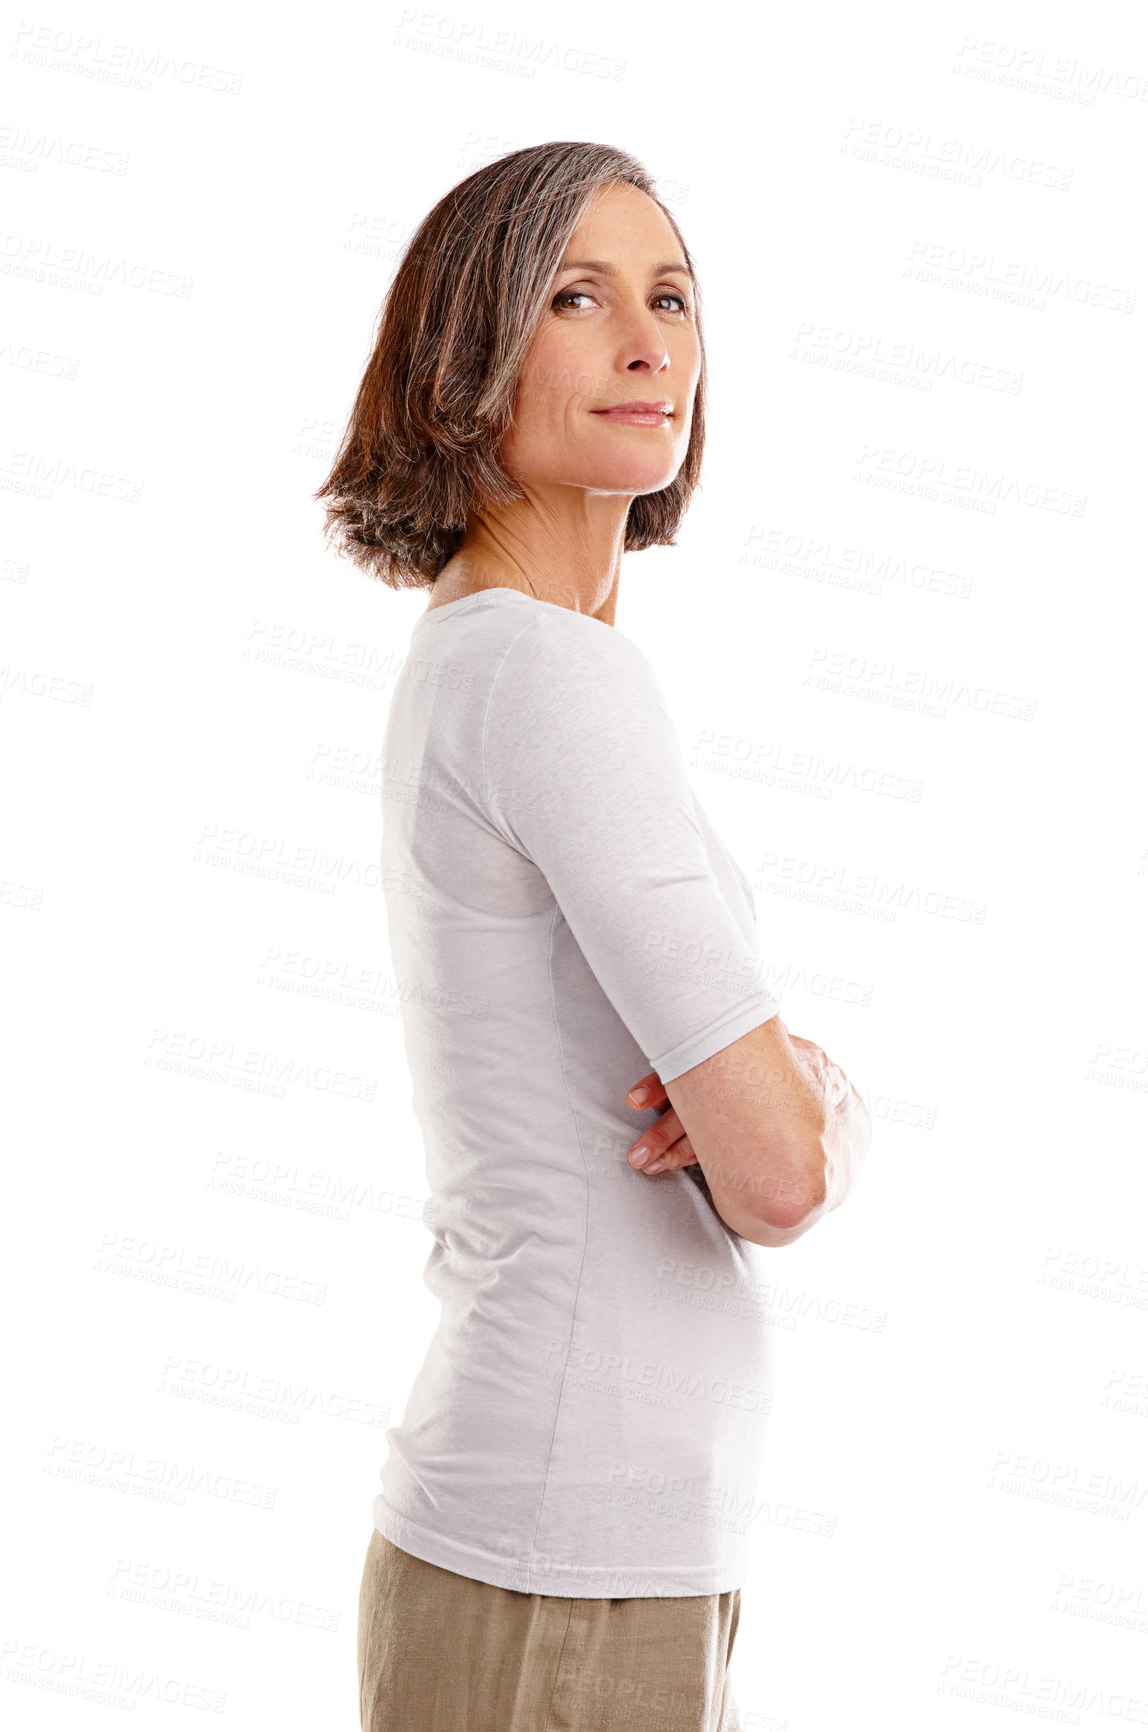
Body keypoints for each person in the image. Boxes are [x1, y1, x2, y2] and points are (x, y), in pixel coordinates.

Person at [315, 140, 871, 1732]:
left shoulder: (510, 663)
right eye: (578, 295)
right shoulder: (548, 679)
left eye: (673, 297)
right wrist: (819, 1098)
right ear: (465, 362)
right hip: (558, 1567)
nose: (650, 344)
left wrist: (780, 1100)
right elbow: (773, 1174)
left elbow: (748, 1139)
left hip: (584, 1551)